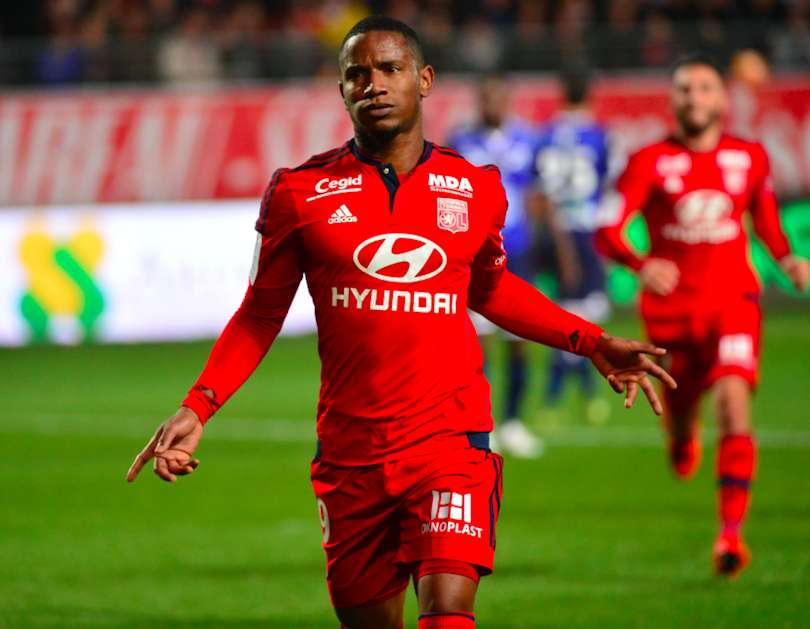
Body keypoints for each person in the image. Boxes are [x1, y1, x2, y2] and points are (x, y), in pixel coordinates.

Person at [127, 17, 675, 629]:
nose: (374, 85)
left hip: (451, 440)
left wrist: (590, 341)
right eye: (357, 74)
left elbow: (490, 288)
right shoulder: (298, 193)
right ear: (341, 90)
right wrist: (198, 405)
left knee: (449, 609)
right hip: (351, 454)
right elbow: (260, 314)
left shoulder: (475, 188)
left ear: (425, 79)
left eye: (390, 68)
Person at [595, 53, 809, 578]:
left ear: (722, 99)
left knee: (734, 404)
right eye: (685, 89)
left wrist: (786, 260)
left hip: (734, 304)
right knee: (682, 413)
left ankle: (730, 536)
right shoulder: (648, 161)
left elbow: (766, 221)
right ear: (673, 101)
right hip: (671, 315)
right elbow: (608, 229)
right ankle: (679, 434)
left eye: (704, 88)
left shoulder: (749, 157)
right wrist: (640, 264)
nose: (694, 97)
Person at [447, 72, 572, 458]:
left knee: (519, 342)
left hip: (518, 253)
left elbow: (540, 195)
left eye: (498, 98)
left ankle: (514, 422)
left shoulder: (529, 140)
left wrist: (556, 249)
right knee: (477, 345)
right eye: (486, 98)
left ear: (508, 102)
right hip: (475, 256)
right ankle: (482, 422)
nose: (492, 105)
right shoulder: (460, 141)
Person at [535, 70, 612, 425]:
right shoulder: (600, 135)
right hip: (584, 232)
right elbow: (608, 188)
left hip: (553, 232)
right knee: (583, 318)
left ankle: (563, 397)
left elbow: (539, 190)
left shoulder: (546, 135)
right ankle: (571, 396)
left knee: (566, 315)